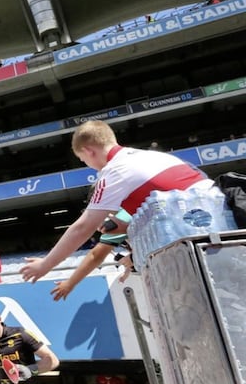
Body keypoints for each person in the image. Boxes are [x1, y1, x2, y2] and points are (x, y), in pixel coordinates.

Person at [21, 119, 215, 283]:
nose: (88, 165)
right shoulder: (155, 156)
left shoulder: (113, 172)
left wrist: (45, 265)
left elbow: (83, 227)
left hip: (197, 251)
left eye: (82, 159)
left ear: (88, 151)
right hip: (217, 229)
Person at [50, 209, 133, 301]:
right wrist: (127, 271)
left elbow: (94, 256)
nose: (95, 228)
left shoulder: (115, 225)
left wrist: (69, 283)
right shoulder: (124, 213)